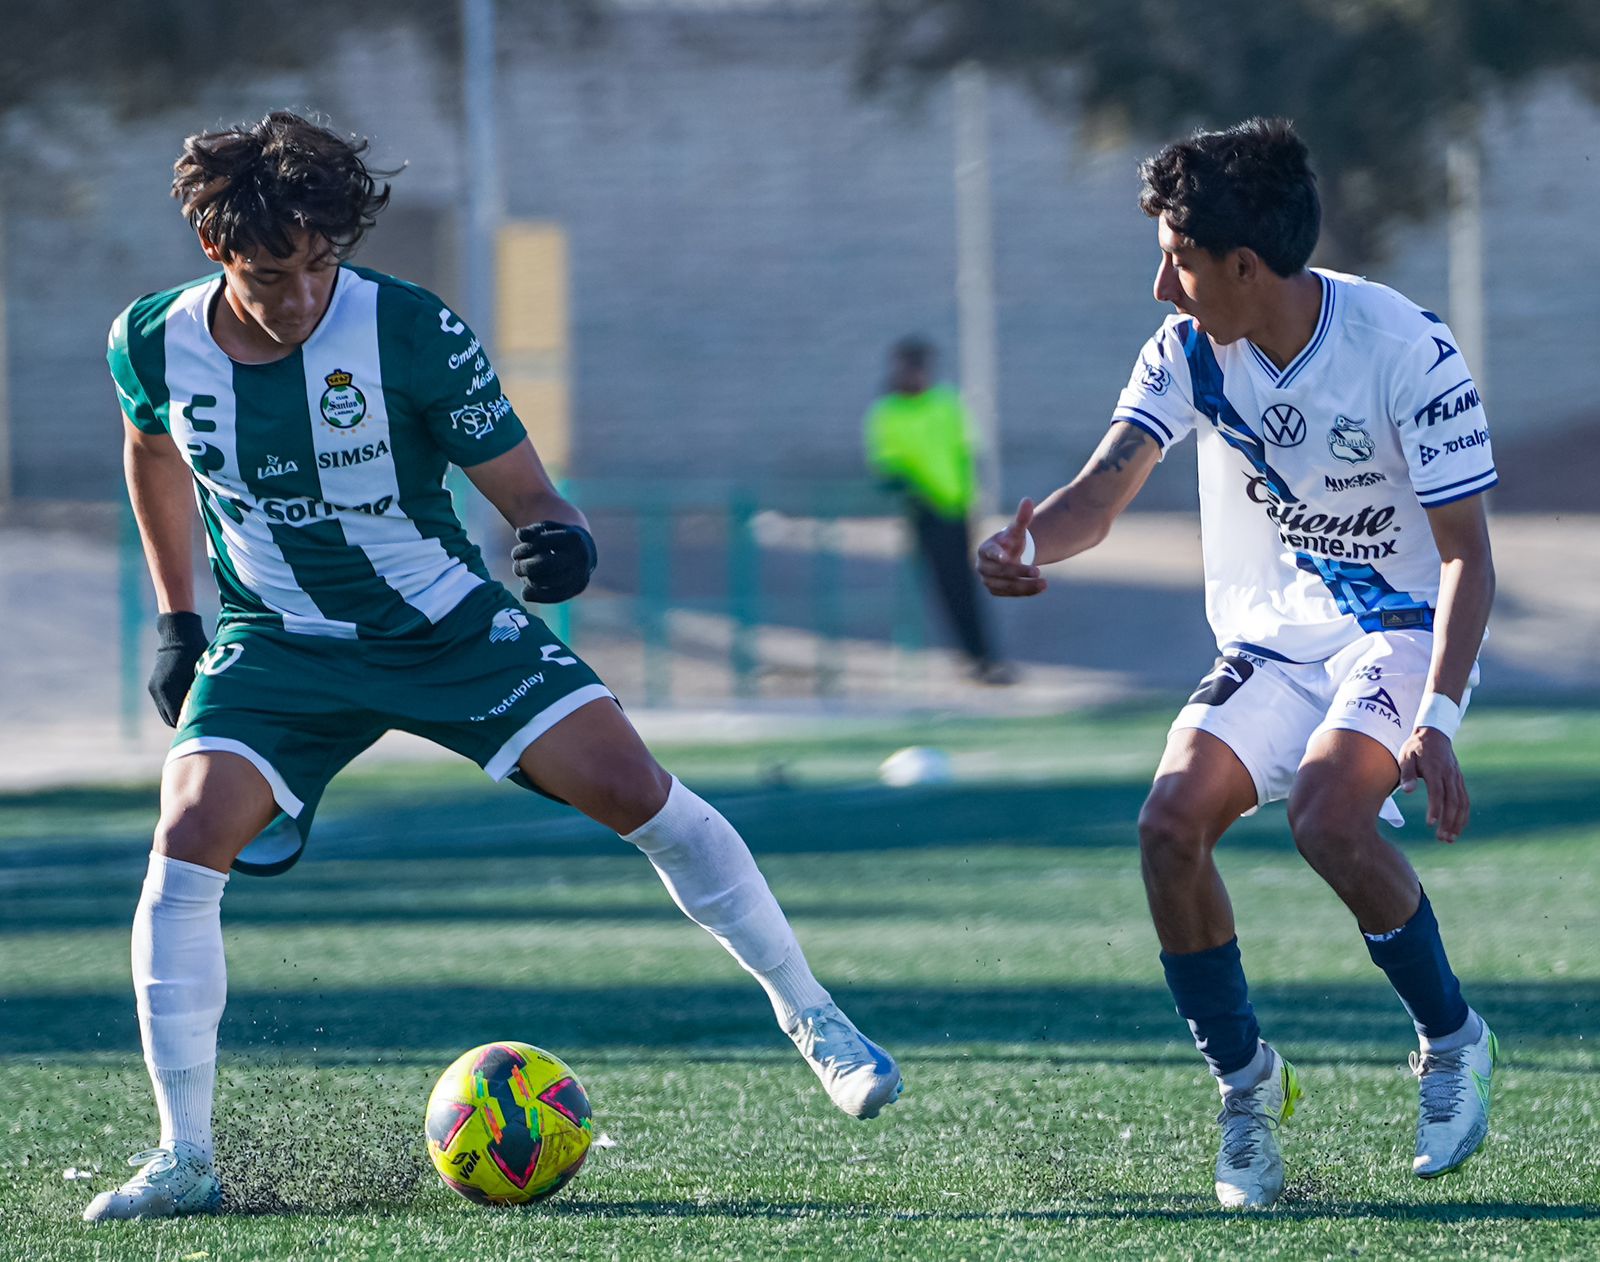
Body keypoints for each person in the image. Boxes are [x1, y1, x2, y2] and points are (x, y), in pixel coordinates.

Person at [86, 111, 902, 1223]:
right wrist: (180, 617)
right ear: (215, 250)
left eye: (319, 265)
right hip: (279, 642)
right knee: (184, 840)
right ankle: (186, 1153)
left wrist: (559, 536)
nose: (298, 296)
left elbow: (529, 492)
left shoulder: (409, 330)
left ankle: (813, 1014)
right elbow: (149, 448)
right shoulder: (151, 339)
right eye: (271, 273)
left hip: (443, 627)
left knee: (637, 791)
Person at [978, 119, 1499, 1208]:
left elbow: (1467, 557)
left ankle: (1450, 1039)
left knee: (1326, 814)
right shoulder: (1185, 352)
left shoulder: (1406, 348)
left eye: (1176, 256)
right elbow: (1099, 491)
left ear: (1243, 266)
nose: (1161, 282)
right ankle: (1246, 1089)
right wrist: (1028, 542)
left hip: (1401, 627)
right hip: (1275, 635)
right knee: (1168, 825)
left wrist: (1436, 716)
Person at [864, 338, 1013, 684]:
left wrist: (970, 502)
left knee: (968, 586)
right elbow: (886, 464)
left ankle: (986, 657)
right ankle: (972, 658)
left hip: (955, 509)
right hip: (924, 511)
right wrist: (911, 490)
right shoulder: (887, 412)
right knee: (944, 587)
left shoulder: (945, 403)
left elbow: (964, 453)